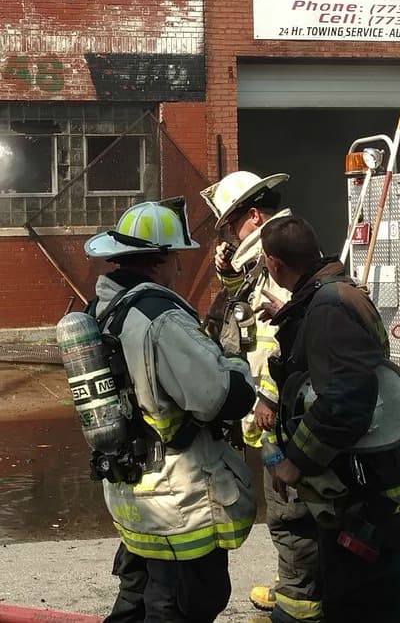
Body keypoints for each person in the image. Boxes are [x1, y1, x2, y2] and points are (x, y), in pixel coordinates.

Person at [82, 197, 257, 623]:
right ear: (159, 262)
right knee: (180, 607)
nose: (180, 267)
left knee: (136, 601)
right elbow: (217, 397)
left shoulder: (103, 308)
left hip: (133, 489)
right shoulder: (160, 318)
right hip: (178, 498)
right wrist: (235, 363)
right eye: (176, 258)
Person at [260, 215, 400, 623]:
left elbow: (346, 401)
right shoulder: (329, 296)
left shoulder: (329, 307)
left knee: (359, 604)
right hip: (364, 485)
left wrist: (298, 461)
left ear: (273, 263)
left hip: (363, 492)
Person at [200, 172, 322, 623]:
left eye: (232, 225)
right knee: (292, 504)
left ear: (253, 216)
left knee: (290, 511)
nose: (230, 234)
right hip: (277, 410)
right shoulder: (270, 257)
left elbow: (281, 343)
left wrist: (266, 402)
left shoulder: (278, 264)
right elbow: (244, 311)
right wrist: (228, 272)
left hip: (280, 414)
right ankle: (299, 584)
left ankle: (298, 602)